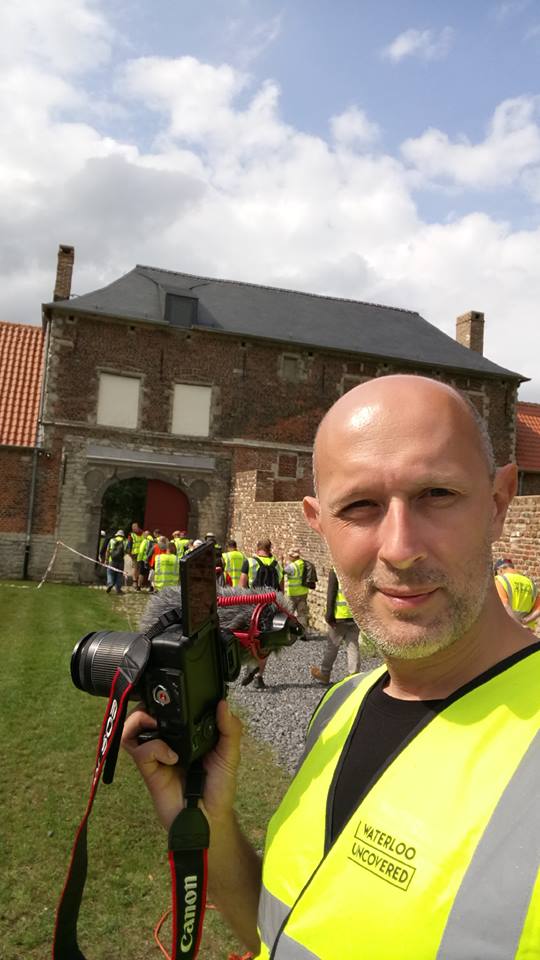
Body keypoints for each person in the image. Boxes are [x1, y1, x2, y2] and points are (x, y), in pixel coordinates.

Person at [123, 375, 540, 958]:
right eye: (360, 506)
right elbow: (284, 932)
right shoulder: (341, 704)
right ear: (319, 524)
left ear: (498, 503)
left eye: (437, 493)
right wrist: (208, 820)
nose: (400, 548)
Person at [239, 539, 284, 689]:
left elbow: (242, 586)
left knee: (250, 639)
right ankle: (259, 676)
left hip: (253, 606)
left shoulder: (250, 562)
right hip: (271, 608)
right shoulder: (277, 565)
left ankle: (250, 666)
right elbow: (281, 590)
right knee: (266, 642)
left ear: (257, 547)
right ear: (270, 548)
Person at [310, 567, 360, 684]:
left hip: (339, 617)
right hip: (354, 616)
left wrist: (329, 616)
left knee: (332, 646)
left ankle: (325, 673)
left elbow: (331, 594)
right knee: (353, 646)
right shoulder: (357, 569)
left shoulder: (336, 571)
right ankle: (354, 676)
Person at [494, 557, 540, 631]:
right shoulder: (530, 583)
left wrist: (519, 625)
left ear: (500, 570)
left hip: (506, 629)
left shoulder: (500, 580)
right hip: (527, 632)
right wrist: (525, 620)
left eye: (496, 573)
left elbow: (505, 605)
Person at [283, 547, 310, 629]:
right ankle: (303, 631)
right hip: (303, 593)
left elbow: (281, 572)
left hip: (292, 594)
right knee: (302, 614)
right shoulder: (305, 564)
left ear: (293, 556)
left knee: (289, 613)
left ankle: (290, 631)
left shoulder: (291, 566)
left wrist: (282, 564)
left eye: (290, 556)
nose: (289, 557)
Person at [105, 529, 125, 595]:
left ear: (117, 534)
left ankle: (110, 584)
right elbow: (127, 551)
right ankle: (118, 589)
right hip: (121, 561)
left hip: (112, 560)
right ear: (122, 535)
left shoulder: (112, 540)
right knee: (119, 575)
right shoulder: (125, 541)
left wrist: (106, 560)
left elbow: (107, 551)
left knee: (110, 573)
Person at [127, 522, 143, 591]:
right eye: (132, 527)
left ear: (138, 527)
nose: (133, 529)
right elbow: (129, 544)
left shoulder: (143, 534)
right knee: (135, 568)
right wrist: (129, 553)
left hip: (141, 554)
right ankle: (135, 582)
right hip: (134, 554)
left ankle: (138, 584)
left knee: (139, 569)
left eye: (134, 527)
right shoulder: (131, 535)